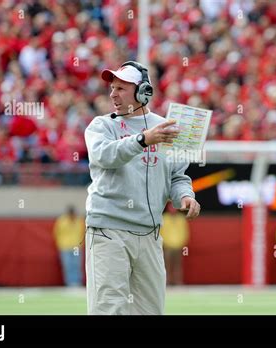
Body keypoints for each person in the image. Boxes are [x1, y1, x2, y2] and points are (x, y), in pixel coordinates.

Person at [84, 61, 200, 315]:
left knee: (151, 311)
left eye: (121, 88)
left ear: (143, 92)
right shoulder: (101, 125)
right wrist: (142, 140)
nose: (113, 94)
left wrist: (186, 197)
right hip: (108, 230)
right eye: (111, 88)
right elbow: (104, 156)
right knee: (109, 310)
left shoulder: (168, 127)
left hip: (149, 233)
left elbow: (178, 176)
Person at [53, 205, 84, 287]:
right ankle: (70, 283)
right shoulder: (61, 221)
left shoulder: (79, 220)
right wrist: (60, 244)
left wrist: (81, 243)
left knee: (76, 264)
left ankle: (77, 282)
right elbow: (56, 233)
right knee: (68, 265)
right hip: (65, 247)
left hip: (76, 246)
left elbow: (82, 233)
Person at [160, 201, 190, 285]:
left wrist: (181, 243)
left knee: (178, 266)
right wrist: (164, 244)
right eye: (170, 207)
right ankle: (167, 282)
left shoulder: (181, 218)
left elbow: (185, 232)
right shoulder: (164, 218)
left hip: (178, 247)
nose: (172, 209)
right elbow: (161, 233)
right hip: (167, 247)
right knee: (166, 266)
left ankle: (178, 282)